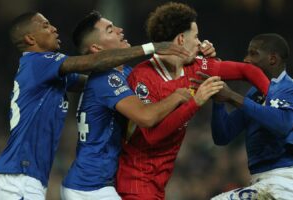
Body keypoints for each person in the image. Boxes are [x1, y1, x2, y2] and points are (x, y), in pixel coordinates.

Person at [0, 11, 190, 200]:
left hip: (28, 175)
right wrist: (152, 48)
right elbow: (95, 64)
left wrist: (190, 62)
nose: (54, 28)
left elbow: (97, 84)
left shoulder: (50, 74)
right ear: (30, 39)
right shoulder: (38, 62)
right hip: (19, 175)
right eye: (45, 26)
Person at [59, 11, 222, 200]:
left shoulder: (123, 74)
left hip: (94, 184)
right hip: (89, 188)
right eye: (110, 30)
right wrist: (177, 97)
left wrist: (197, 54)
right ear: (96, 47)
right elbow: (146, 117)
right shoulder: (106, 79)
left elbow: (162, 73)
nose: (120, 30)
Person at [116, 2, 271, 199]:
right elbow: (152, 136)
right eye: (196, 36)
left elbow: (247, 70)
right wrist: (195, 102)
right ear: (181, 39)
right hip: (135, 182)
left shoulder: (196, 66)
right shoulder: (143, 78)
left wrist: (273, 100)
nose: (200, 43)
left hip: (159, 182)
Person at [209, 33, 293, 200]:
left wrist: (232, 96)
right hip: (262, 184)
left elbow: (282, 124)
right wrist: (218, 98)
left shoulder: (289, 88)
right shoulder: (255, 95)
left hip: (283, 185)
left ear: (272, 59)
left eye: (253, 53)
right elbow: (223, 135)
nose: (246, 59)